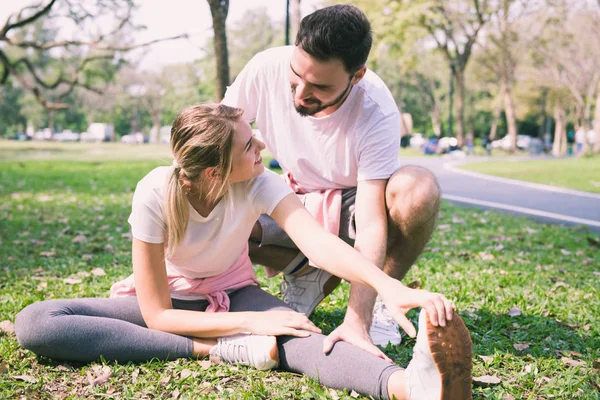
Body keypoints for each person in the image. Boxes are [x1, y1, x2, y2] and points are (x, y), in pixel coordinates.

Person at [14, 104, 473, 399]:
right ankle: (216, 351)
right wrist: (249, 326)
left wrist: (387, 285)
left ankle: (406, 387)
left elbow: (318, 245)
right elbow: (158, 316)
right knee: (36, 322)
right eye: (248, 144)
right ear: (214, 171)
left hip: (233, 289)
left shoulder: (257, 181)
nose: (261, 147)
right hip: (173, 302)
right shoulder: (154, 191)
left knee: (302, 339)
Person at [222, 4, 446, 353]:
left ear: (356, 76)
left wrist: (357, 319)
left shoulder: (376, 109)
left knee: (418, 188)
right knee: (221, 208)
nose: (299, 94)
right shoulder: (265, 67)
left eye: (319, 87)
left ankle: (384, 299)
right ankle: (309, 272)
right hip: (292, 201)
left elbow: (372, 224)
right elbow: (217, 137)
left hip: (352, 213)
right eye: (296, 77)